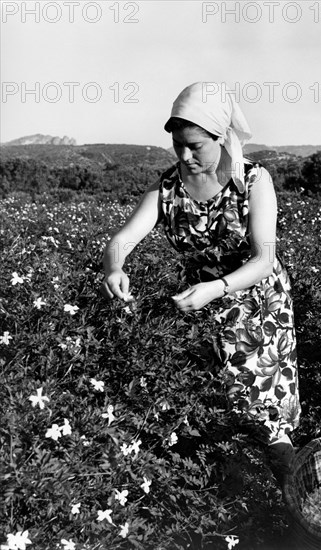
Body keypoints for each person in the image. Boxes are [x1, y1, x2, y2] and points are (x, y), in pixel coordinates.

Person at [100, 81, 301, 470]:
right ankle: (226, 487)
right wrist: (115, 268)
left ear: (221, 137)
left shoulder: (254, 181)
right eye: (179, 145)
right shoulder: (167, 188)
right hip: (200, 301)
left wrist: (220, 287)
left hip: (257, 302)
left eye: (197, 145)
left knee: (262, 405)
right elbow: (120, 240)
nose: (186, 155)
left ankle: (292, 494)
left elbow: (264, 258)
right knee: (212, 404)